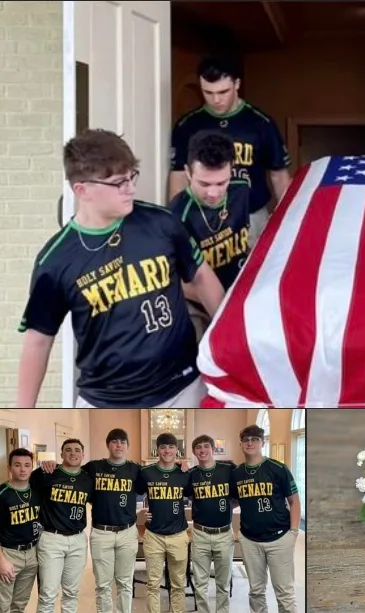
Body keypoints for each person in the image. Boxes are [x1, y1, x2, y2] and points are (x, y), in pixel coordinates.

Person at [16, 128, 225, 409]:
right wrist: (23, 416)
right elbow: (39, 340)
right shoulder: (55, 261)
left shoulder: (162, 223)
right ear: (82, 189)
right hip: (106, 403)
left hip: (183, 387)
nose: (131, 188)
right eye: (118, 182)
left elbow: (200, 276)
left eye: (131, 176)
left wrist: (227, 345)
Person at [169, 55, 292, 246]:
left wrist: (289, 219)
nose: (215, 99)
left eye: (223, 91)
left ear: (237, 84)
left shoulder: (261, 123)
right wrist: (176, 224)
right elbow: (178, 178)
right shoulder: (188, 125)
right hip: (202, 216)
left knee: (252, 272)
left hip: (251, 215)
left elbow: (279, 176)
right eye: (207, 92)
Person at [40, 428, 141, 613]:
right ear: (107, 445)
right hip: (101, 533)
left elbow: (155, 485)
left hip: (127, 532)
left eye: (122, 442)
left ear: (127, 446)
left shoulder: (135, 469)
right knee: (103, 584)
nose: (118, 445)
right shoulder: (93, 468)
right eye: (114, 441)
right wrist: (50, 463)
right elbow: (71, 468)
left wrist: (180, 465)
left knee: (125, 583)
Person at [169, 130, 251, 341]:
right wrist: (218, 306)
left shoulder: (241, 190)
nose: (213, 193)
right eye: (204, 184)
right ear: (188, 172)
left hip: (241, 294)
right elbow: (174, 279)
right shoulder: (175, 216)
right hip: (197, 306)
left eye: (221, 183)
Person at [231, 425, 301, 613]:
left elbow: (294, 502)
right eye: (246, 440)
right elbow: (232, 501)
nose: (250, 443)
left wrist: (293, 533)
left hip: (279, 538)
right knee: (256, 591)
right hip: (250, 539)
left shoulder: (278, 468)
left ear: (262, 442)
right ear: (241, 444)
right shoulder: (237, 474)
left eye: (254, 439)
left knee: (284, 592)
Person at [30, 439, 94, 613]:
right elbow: (24, 490)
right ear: (61, 454)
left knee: (71, 592)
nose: (72, 453)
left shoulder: (88, 480)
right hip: (52, 538)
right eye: (68, 450)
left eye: (76, 450)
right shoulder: (47, 473)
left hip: (78, 539)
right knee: (48, 593)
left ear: (83, 454)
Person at [136, 433, 193, 613]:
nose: (167, 451)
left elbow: (197, 497)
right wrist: (140, 516)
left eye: (171, 447)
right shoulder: (146, 473)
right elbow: (132, 495)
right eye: (163, 447)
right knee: (153, 584)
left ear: (177, 450)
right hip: (154, 536)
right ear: (157, 449)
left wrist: (184, 465)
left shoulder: (184, 473)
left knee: (178, 584)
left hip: (178, 535)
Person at [189, 435, 237, 613]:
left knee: (222, 583)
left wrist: (225, 505)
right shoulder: (192, 474)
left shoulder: (228, 469)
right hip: (200, 533)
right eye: (198, 448)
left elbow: (239, 495)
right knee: (200, 583)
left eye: (205, 447)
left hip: (224, 533)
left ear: (213, 449)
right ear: (194, 452)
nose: (202, 450)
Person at [0, 449, 41, 613]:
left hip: (32, 554)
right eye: (17, 465)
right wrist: (1, 561)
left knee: (19, 604)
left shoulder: (37, 491)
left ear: (32, 467)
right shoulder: (2, 493)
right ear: (10, 467)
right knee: (3, 605)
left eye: (27, 465)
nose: (22, 470)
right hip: (9, 553)